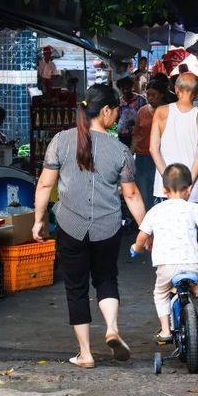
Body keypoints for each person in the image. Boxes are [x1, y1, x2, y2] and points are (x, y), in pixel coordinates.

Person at [32, 84, 146, 369]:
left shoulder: (61, 140)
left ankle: (85, 353)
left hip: (71, 225)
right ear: (105, 111)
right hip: (108, 226)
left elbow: (45, 183)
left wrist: (38, 219)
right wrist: (146, 229)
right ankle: (111, 328)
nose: (118, 116)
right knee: (106, 278)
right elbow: (131, 195)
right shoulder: (120, 150)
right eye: (116, 110)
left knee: (76, 287)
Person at [132, 163, 198, 343]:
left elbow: (142, 235)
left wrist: (137, 248)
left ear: (164, 190)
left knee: (160, 294)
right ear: (189, 189)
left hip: (166, 265)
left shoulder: (156, 211)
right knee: (195, 281)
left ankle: (165, 330)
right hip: (191, 262)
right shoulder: (194, 209)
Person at [150, 72, 198, 217]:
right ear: (197, 92)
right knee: (196, 237)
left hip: (165, 190)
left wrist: (168, 181)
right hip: (194, 191)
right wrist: (188, 185)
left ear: (176, 89)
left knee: (166, 236)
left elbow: (153, 149)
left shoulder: (160, 112)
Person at [133, 80, 169, 212]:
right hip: (143, 156)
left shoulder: (169, 111)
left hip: (162, 156)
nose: (150, 98)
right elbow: (136, 135)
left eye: (153, 95)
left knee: (161, 189)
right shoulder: (142, 112)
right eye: (148, 95)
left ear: (162, 95)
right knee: (144, 190)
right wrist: (131, 155)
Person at [116, 76, 147, 148]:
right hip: (123, 134)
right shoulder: (118, 101)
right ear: (120, 89)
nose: (125, 90)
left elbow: (145, 115)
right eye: (122, 88)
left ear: (131, 87)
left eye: (127, 88)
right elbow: (116, 118)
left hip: (137, 134)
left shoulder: (141, 100)